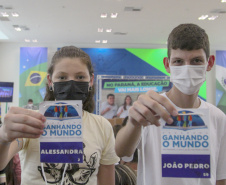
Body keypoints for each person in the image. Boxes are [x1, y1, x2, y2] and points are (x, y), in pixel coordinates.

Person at [115, 24, 226, 185]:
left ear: (209, 63)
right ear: (167, 64)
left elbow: (220, 177)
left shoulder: (218, 118)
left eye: (196, 60)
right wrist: (133, 123)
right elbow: (121, 152)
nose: (187, 68)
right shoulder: (149, 109)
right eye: (179, 61)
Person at [0, 46, 119, 185]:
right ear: (50, 81)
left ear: (91, 80)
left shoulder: (102, 126)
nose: (71, 83)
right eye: (62, 77)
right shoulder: (32, 121)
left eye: (80, 77)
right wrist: (3, 138)